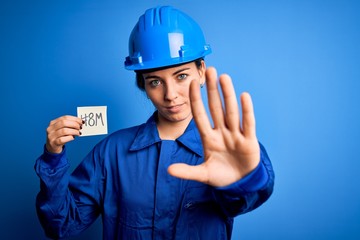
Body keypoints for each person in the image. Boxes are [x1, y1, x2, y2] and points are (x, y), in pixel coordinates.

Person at [35, 6, 275, 240]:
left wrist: (244, 179)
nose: (170, 94)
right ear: (144, 85)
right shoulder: (112, 152)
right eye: (155, 82)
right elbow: (62, 225)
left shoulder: (226, 149)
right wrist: (53, 157)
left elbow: (248, 199)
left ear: (201, 71)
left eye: (181, 76)